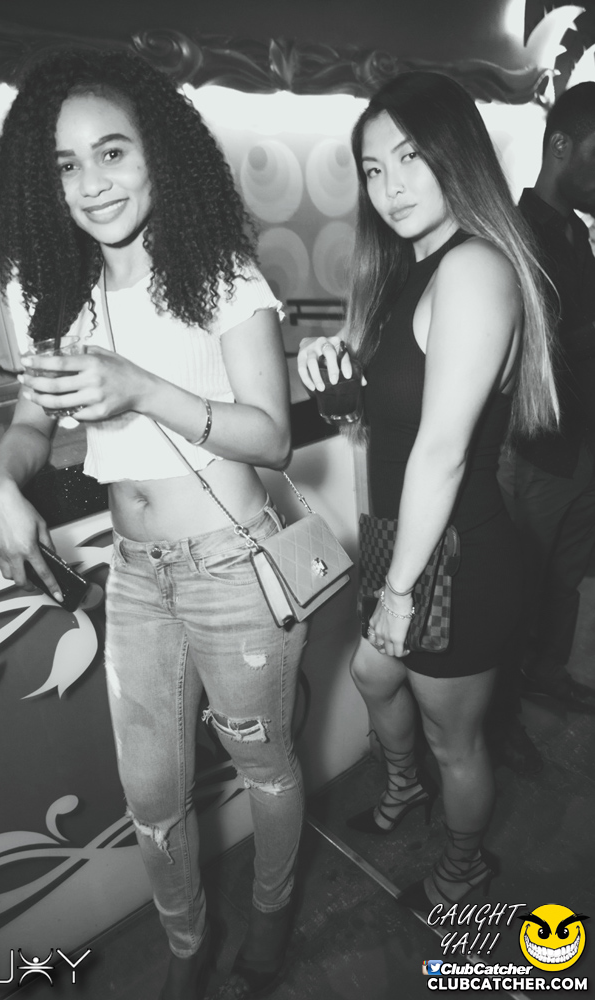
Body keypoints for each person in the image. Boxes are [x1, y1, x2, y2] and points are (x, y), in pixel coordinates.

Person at [0, 48, 307, 1000]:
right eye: (67, 165)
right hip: (136, 576)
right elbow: (33, 423)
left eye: (112, 152)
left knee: (265, 769)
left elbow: (274, 436)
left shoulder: (218, 272)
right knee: (152, 796)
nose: (92, 183)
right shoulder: (50, 288)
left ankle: (273, 919)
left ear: (159, 150)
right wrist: (2, 481)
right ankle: (186, 940)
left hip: (234, 567)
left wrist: (140, 388)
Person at [298, 72, 559, 912]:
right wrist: (335, 375)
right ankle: (404, 788)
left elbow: (442, 451)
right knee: (376, 677)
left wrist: (401, 593)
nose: (391, 186)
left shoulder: (473, 266)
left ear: (456, 155)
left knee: (457, 741)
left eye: (410, 158)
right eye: (373, 169)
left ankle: (462, 868)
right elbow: (387, 425)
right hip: (403, 539)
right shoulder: (403, 273)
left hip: (456, 554)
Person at [497, 82, 595, 714]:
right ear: (561, 145)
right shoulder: (515, 232)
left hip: (580, 441)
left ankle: (547, 673)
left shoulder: (578, 234)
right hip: (533, 447)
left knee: (565, 580)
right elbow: (535, 345)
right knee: (519, 584)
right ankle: (501, 710)